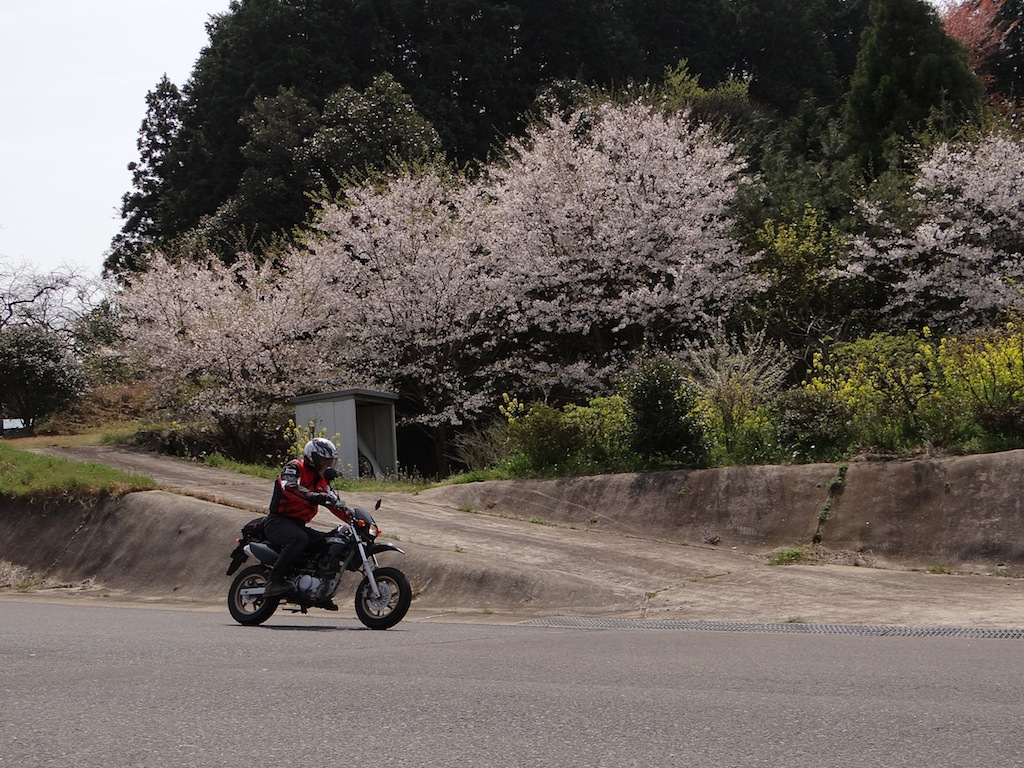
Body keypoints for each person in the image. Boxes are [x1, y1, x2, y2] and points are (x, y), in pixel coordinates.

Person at [263, 437, 351, 606]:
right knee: (299, 539)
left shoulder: (322, 481)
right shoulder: (294, 467)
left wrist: (353, 518)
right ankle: (274, 582)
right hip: (278, 522)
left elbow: (334, 503)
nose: (328, 466)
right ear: (312, 459)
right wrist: (313, 496)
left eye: (330, 462)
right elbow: (288, 487)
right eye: (324, 461)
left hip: (299, 525)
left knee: (330, 542)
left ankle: (319, 592)